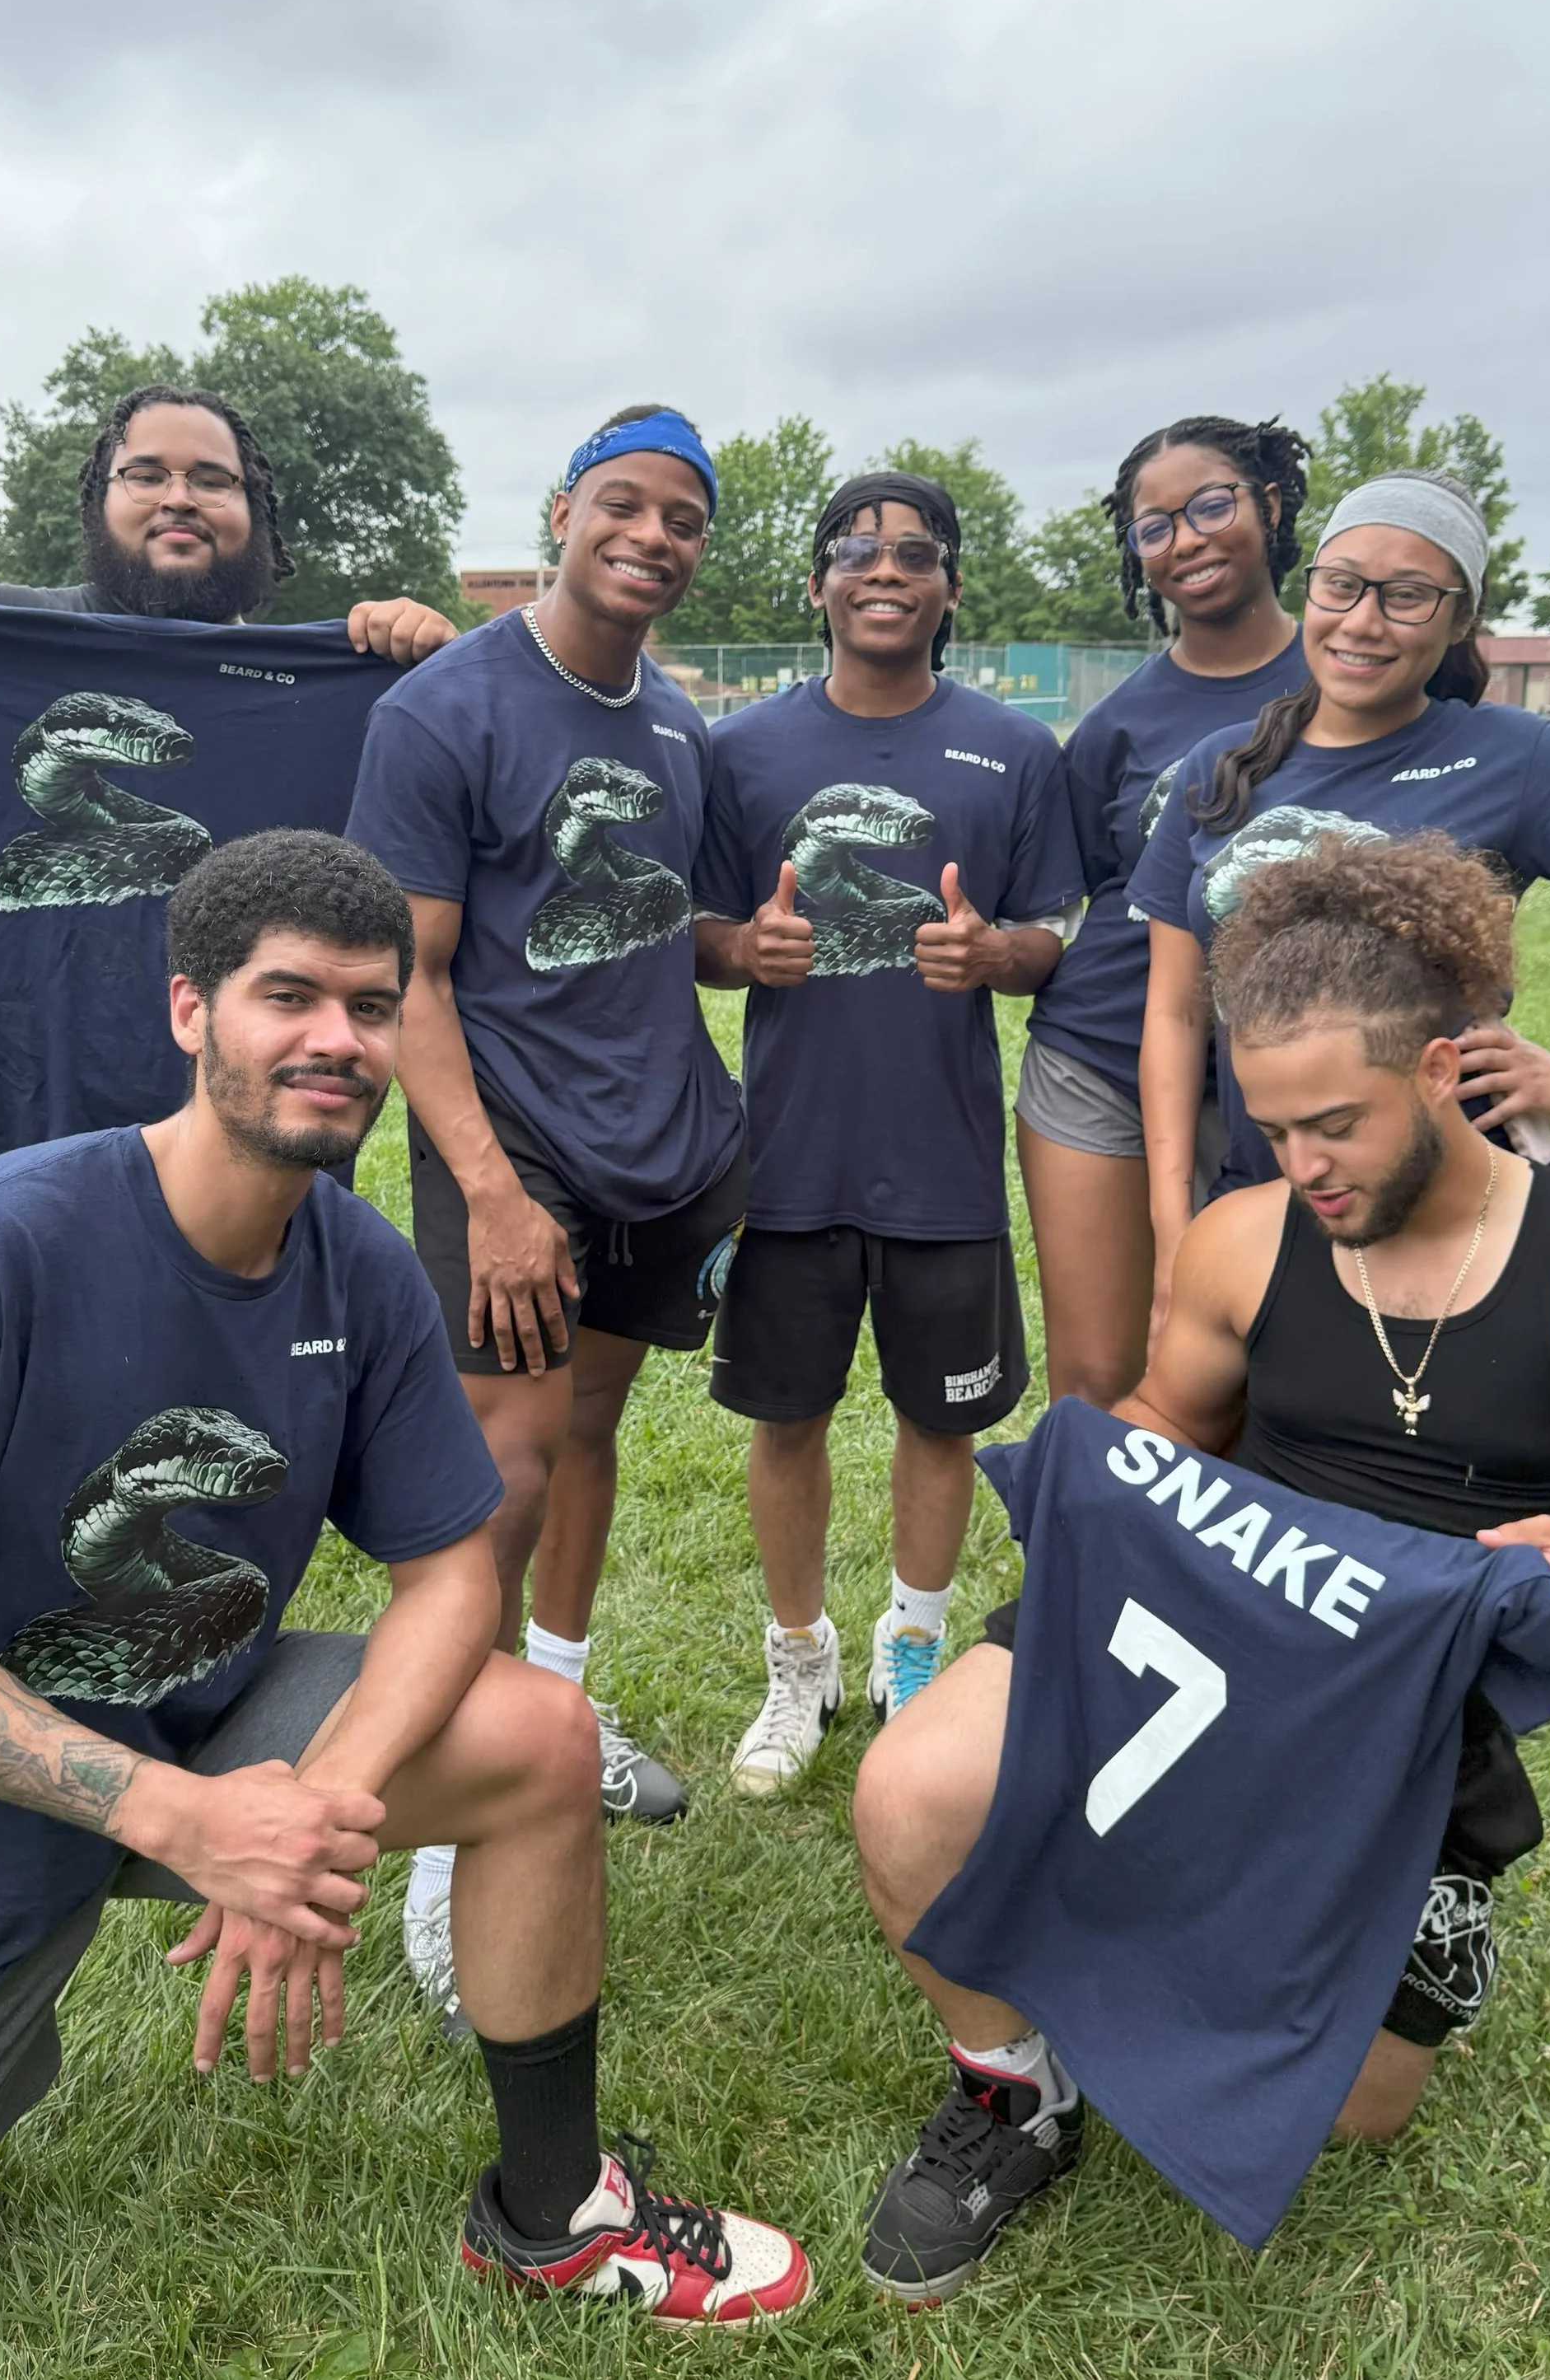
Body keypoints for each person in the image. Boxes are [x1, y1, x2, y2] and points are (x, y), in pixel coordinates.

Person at [0, 831, 810, 2326]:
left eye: (371, 1008)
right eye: (287, 995)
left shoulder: (358, 1268)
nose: (336, 1039)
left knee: (541, 1738)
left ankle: (553, 2213)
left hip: (190, 1721)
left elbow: (447, 1575)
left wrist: (308, 1815)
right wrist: (195, 1824)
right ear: (191, 1012)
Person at [849, 830, 1550, 2298]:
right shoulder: (1245, 1236)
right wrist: (1106, 1459)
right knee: (910, 1791)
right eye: (1273, 1128)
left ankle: (1414, 1919)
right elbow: (1167, 1422)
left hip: (1401, 1682)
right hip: (1209, 1607)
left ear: (1444, 1065)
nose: (1304, 1165)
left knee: (1358, 2111)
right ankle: (1015, 2089)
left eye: (1334, 1122)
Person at [0, 385, 456, 1300]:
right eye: (144, 474)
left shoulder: (349, 692)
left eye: (212, 479)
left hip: (241, 1174)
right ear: (99, 501)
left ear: (256, 515)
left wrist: (438, 677)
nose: (178, 497)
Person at [344, 407, 747, 2013]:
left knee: (589, 1435)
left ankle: (561, 1721)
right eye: (623, 505)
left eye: (682, 518)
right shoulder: (444, 708)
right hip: (513, 1158)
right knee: (493, 1475)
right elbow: (410, 973)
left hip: (667, 1148)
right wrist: (497, 1195)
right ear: (563, 512)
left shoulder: (677, 723)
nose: (650, 534)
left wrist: (751, 949)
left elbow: (677, 925)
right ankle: (453, 1838)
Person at [1129, 468, 1550, 1349]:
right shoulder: (1219, 768)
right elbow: (1173, 1015)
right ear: (1311, 587)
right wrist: (1177, 1231)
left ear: (1459, 618)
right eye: (1342, 585)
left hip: (1446, 1217)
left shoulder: (1511, 756)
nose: (1363, 621)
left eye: (1406, 597)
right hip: (1262, 1196)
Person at [693, 472, 1083, 1787]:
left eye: (915, 554)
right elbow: (697, 935)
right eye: (855, 550)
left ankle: (909, 1642)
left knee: (941, 1419)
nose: (884, 570)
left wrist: (997, 952)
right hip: (789, 1157)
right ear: (815, 585)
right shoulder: (738, 751)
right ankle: (797, 1661)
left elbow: (1048, 937)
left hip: (945, 1159)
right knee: (786, 1417)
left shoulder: (1015, 752)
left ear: (951, 588)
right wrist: (745, 945)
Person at [1018, 415, 1313, 1406]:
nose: (1184, 540)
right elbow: (1096, 889)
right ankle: (1087, 1563)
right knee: (1101, 1376)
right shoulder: (1116, 723)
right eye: (1154, 527)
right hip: (1100, 1058)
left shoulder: (1352, 675)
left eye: (1210, 506)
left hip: (1282, 1073)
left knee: (1255, 1375)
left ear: (1269, 507)